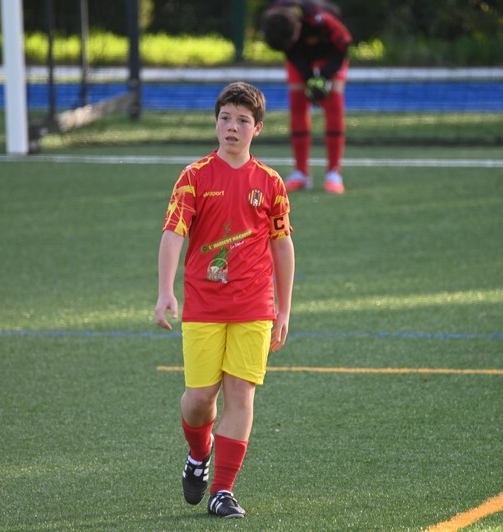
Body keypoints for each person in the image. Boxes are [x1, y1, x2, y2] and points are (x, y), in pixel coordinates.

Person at [154, 81, 295, 519]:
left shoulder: (270, 183)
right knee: (200, 398)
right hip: (204, 306)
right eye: (225, 118)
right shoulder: (194, 177)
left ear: (258, 129)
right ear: (216, 123)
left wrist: (284, 308)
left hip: (254, 306)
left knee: (241, 394)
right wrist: (165, 291)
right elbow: (173, 233)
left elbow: (282, 244)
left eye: (242, 120)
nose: (232, 127)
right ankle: (199, 453)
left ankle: (222, 490)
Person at [262, 0, 352, 194]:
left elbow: (343, 44)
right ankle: (301, 173)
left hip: (331, 54)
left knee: (333, 104)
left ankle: (334, 173)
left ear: (298, 28)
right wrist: (308, 77)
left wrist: (324, 77)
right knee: (297, 105)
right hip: (301, 59)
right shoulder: (275, 20)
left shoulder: (320, 18)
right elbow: (290, 52)